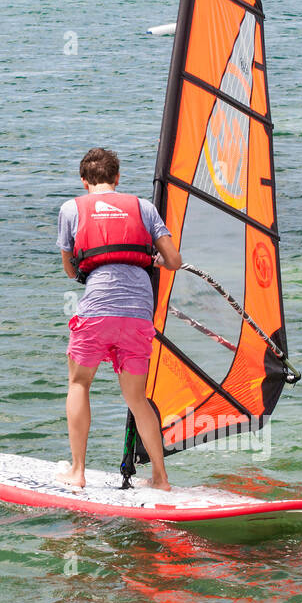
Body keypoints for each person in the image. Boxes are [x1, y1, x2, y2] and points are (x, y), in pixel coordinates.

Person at [54, 147, 181, 490]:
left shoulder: (71, 209)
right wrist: (149, 259)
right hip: (139, 313)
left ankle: (78, 472)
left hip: (97, 310)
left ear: (84, 181)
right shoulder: (144, 207)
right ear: (118, 178)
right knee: (137, 399)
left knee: (79, 383)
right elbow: (174, 260)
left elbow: (69, 269)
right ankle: (160, 477)